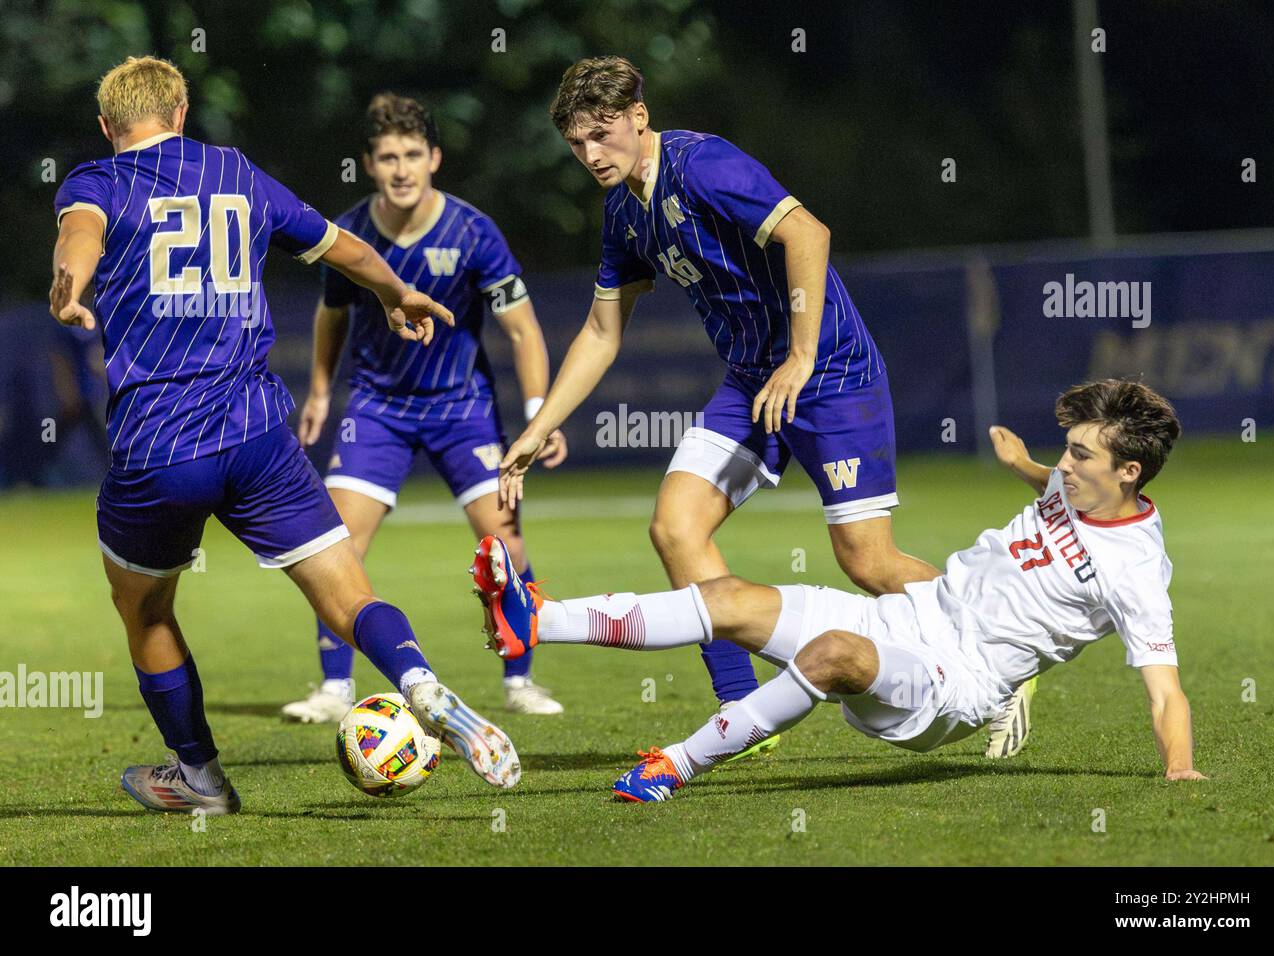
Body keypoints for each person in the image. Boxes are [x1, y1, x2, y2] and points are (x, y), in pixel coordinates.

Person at [50, 56, 520, 814]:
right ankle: (421, 685)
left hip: (162, 447)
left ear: (109, 128)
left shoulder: (98, 180)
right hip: (260, 433)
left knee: (145, 610)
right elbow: (348, 249)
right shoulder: (236, 170)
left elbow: (80, 238)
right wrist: (397, 292)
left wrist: (69, 287)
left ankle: (199, 776)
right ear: (181, 111)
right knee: (348, 597)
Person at [473, 380, 1204, 801]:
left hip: (956, 685)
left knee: (830, 654)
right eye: (1067, 451)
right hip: (909, 612)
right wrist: (1023, 463)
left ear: (1130, 472)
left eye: (1080, 454)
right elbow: (1052, 479)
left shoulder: (1135, 569)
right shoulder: (1080, 484)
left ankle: (676, 764)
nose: (1065, 465)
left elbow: (1165, 689)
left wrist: (1180, 769)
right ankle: (536, 621)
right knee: (727, 599)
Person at [495, 55, 939, 748]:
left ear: (640, 118)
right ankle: (745, 711)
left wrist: (800, 354)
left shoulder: (703, 165)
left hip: (830, 372)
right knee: (676, 527)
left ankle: (990, 643)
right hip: (749, 382)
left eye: (603, 134)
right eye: (577, 142)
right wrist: (539, 427)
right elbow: (602, 331)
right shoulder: (622, 213)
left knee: (867, 562)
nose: (590, 153)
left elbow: (808, 233)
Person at [282, 93, 566, 723]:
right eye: (388, 157)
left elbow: (521, 329)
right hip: (377, 408)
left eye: (413, 154)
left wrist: (539, 414)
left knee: (504, 545)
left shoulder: (472, 231)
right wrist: (323, 392)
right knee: (336, 545)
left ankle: (519, 680)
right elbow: (331, 314)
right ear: (370, 163)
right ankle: (335, 687)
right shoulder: (348, 233)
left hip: (463, 407)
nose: (402, 168)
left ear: (435, 158)